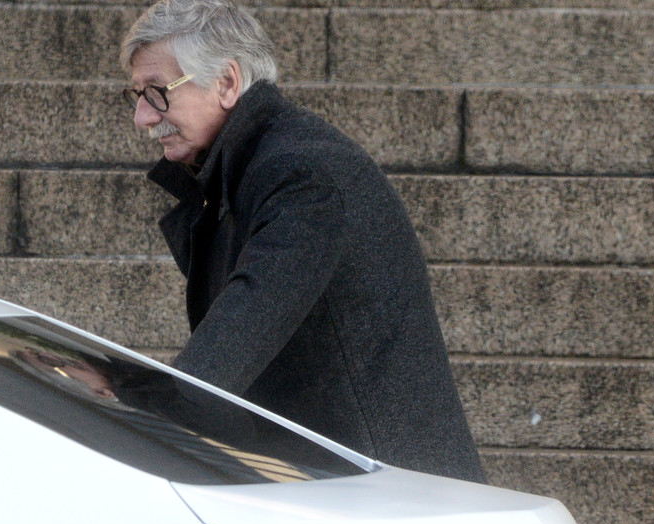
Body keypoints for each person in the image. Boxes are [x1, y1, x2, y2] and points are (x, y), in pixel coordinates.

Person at [119, 0, 487, 483]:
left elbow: (228, 351)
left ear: (227, 83)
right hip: (352, 486)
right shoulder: (251, 169)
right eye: (137, 96)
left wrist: (117, 393)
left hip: (392, 497)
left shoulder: (301, 174)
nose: (143, 117)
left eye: (156, 93)